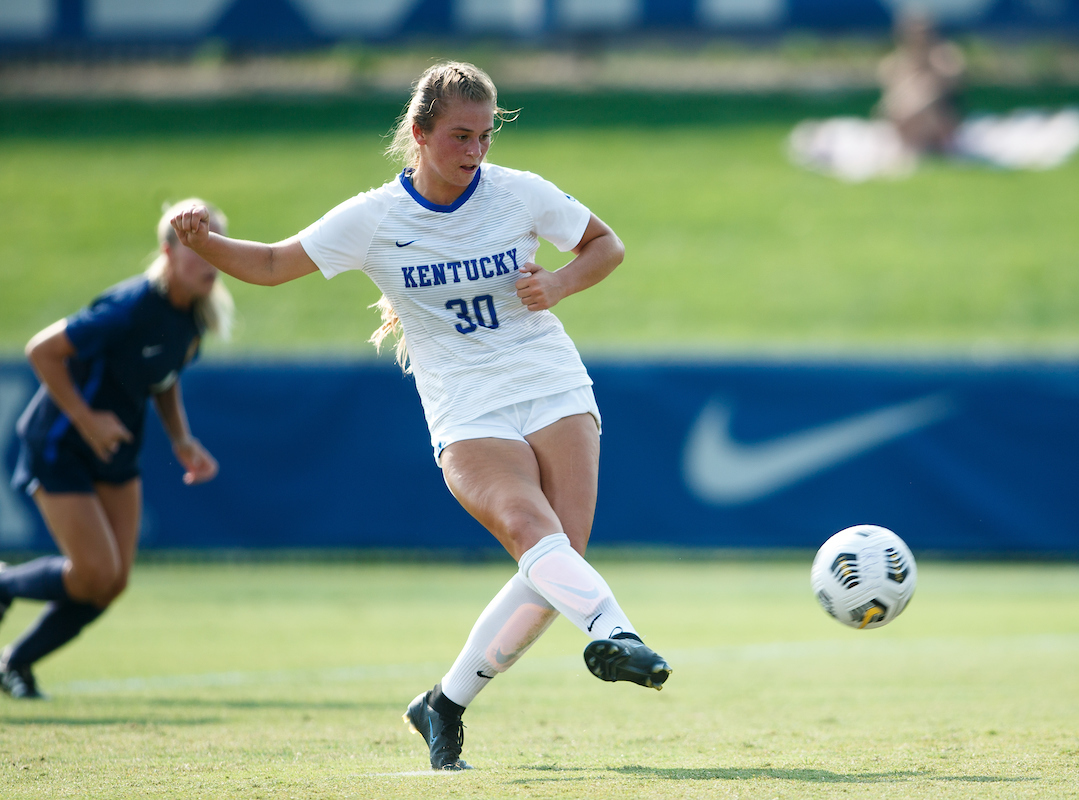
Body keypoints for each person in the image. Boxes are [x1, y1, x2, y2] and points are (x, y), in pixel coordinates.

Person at [168, 61, 671, 771]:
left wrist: (557, 283)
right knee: (537, 536)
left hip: (551, 381)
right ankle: (617, 634)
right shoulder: (375, 217)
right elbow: (276, 264)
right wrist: (204, 242)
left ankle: (444, 704)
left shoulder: (518, 194)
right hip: (465, 404)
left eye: (485, 137)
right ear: (420, 132)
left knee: (559, 563)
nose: (474, 151)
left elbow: (605, 244)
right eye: (460, 136)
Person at [0, 199, 233, 699]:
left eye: (214, 246)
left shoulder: (192, 320)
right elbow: (41, 351)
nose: (209, 260)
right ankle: (5, 584)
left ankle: (14, 662)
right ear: (169, 253)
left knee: (112, 582)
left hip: (113, 449)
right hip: (61, 443)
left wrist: (181, 439)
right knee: (94, 572)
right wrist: (86, 419)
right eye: (197, 248)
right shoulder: (130, 308)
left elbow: (163, 379)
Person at [876, 10, 966, 155]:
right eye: (914, 32)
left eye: (924, 32)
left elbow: (947, 87)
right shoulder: (894, 63)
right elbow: (890, 99)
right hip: (904, 117)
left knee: (925, 107)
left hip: (941, 117)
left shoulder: (944, 58)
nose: (919, 37)